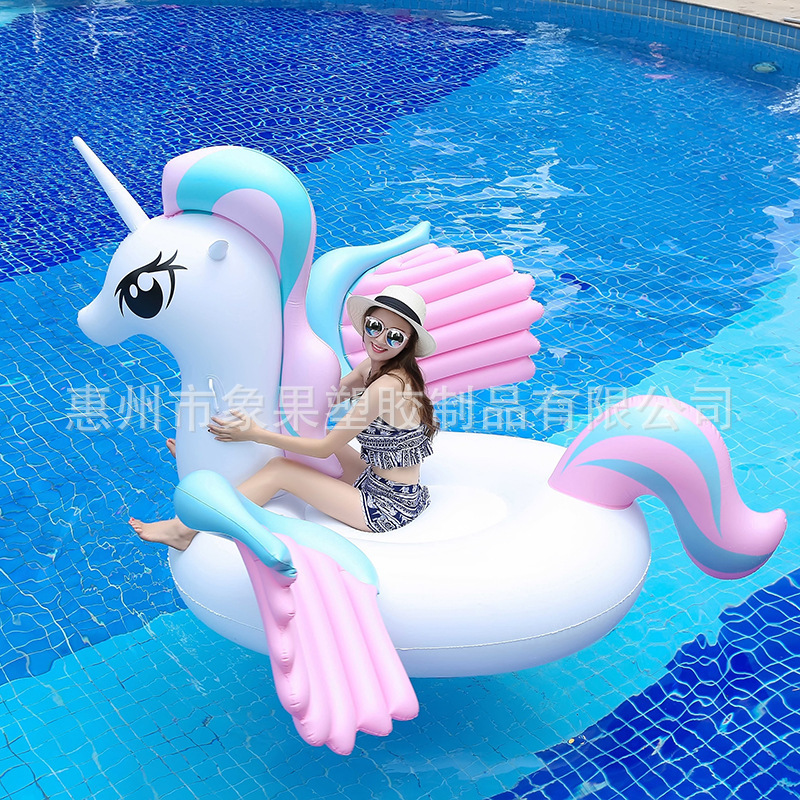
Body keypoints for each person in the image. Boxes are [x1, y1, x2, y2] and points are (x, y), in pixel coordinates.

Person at [129, 285, 438, 548]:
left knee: (282, 470)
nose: (380, 340)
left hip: (388, 507)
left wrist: (255, 433)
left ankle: (183, 530)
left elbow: (324, 449)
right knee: (298, 433)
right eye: (375, 327)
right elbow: (316, 404)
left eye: (394, 336)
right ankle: (217, 464)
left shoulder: (386, 386)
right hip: (373, 477)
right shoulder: (372, 369)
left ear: (407, 344)